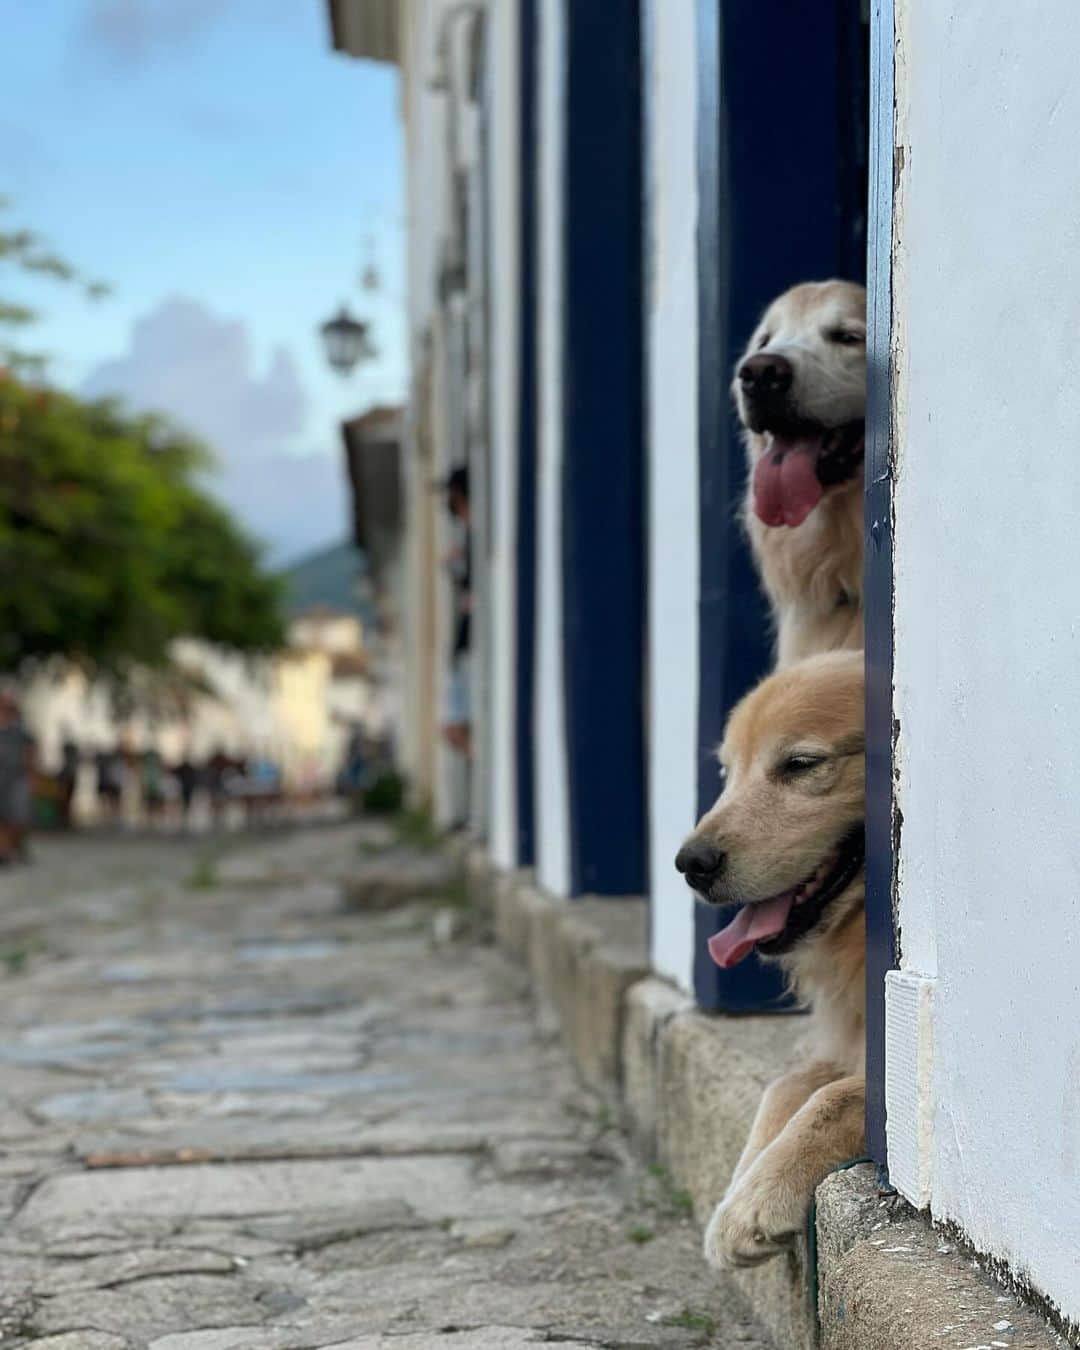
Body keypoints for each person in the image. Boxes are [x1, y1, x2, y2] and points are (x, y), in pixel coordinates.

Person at [439, 466, 472, 757]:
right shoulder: (468, 537)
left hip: (469, 645)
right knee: (452, 726)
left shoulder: (473, 536)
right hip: (465, 644)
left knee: (454, 726)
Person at [0, 693, 34, 863]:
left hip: (17, 777)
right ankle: (4, 852)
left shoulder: (19, 729)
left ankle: (17, 847)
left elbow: (30, 751)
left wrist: (31, 775)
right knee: (3, 816)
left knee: (18, 816)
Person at [58, 736, 79, 829]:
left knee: (66, 799)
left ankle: (65, 818)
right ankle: (65, 818)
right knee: (65, 799)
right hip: (69, 777)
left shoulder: (70, 763)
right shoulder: (71, 762)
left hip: (69, 778)